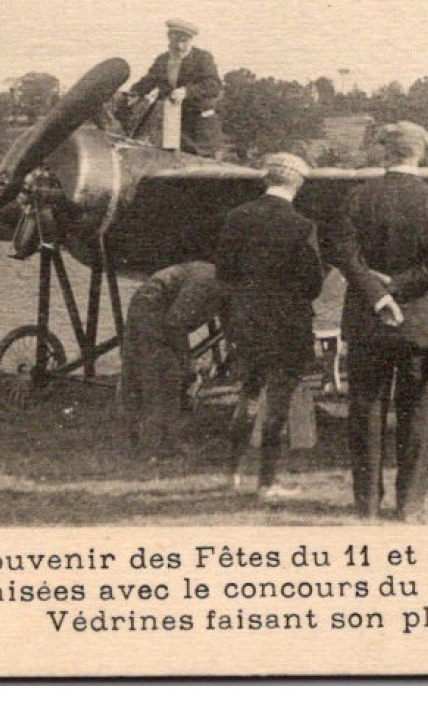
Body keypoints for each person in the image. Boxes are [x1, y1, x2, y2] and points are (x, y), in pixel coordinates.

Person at [324, 121, 428, 521]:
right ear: (420, 154)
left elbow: (343, 253)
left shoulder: (358, 197)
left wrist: (378, 291)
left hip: (368, 320)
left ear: (386, 153)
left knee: (365, 409)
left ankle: (366, 504)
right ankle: (410, 504)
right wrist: (401, 285)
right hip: (418, 323)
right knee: (417, 413)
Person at [214, 153, 325, 504]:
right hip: (287, 322)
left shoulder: (236, 218)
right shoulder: (302, 226)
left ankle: (231, 475)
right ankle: (266, 482)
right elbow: (313, 285)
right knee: (277, 403)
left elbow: (224, 272)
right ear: (299, 183)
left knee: (247, 394)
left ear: (266, 179)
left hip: (246, 318)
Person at [115, 261, 228, 458]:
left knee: (147, 375)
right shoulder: (209, 283)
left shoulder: (219, 282)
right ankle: (158, 446)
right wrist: (186, 361)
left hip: (151, 302)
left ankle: (142, 441)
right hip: (151, 308)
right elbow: (175, 324)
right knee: (165, 376)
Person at [127, 18, 223, 156]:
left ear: (191, 40)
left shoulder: (203, 58)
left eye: (183, 41)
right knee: (170, 160)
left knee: (200, 165)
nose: (178, 46)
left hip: (199, 124)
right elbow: (149, 80)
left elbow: (214, 85)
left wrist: (186, 91)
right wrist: (135, 92)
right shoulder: (163, 59)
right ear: (169, 39)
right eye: (174, 41)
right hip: (172, 121)